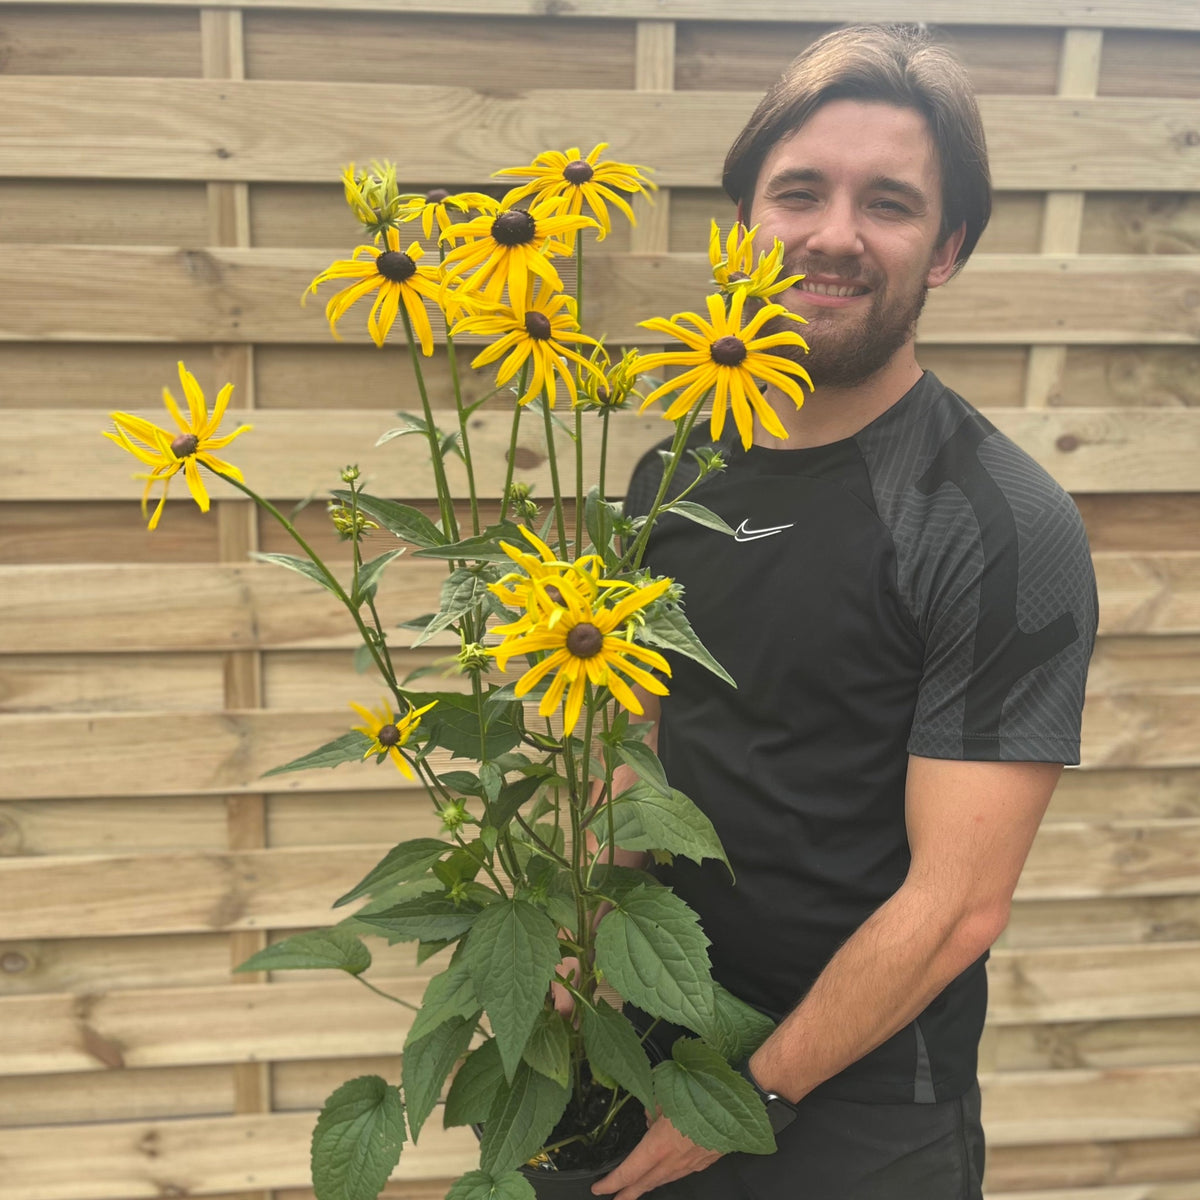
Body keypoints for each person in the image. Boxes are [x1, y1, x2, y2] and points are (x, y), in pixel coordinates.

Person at [582, 23, 1098, 1200]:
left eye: (890, 204)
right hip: (646, 1040)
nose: (833, 235)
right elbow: (636, 743)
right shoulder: (671, 474)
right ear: (747, 223)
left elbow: (960, 903)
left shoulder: (997, 520)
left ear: (948, 246)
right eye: (799, 192)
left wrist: (749, 1097)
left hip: (859, 1111)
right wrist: (585, 945)